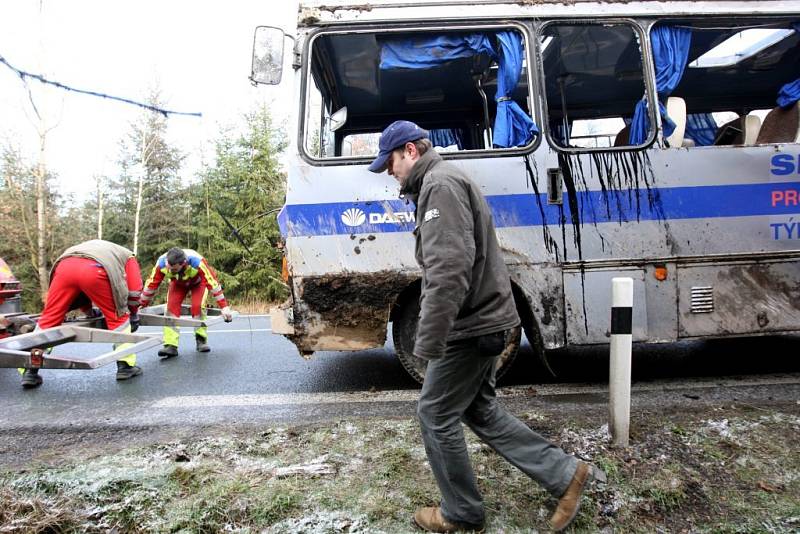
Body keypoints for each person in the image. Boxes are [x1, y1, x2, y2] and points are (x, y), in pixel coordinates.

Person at [369, 121, 596, 533]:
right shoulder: (441, 182)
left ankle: (461, 512)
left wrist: (429, 340)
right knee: (480, 410)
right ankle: (565, 474)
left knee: (435, 413)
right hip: (484, 320)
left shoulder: (439, 186)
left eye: (390, 161)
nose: (389, 171)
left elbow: (448, 271)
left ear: (411, 152)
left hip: (470, 326)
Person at [19, 239, 144, 388]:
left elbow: (81, 287)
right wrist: (134, 314)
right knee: (119, 318)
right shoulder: (129, 256)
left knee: (49, 319)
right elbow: (135, 292)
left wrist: (88, 311)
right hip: (95, 269)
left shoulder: (91, 247)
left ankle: (30, 370)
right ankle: (125, 366)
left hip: (64, 267)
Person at [139, 248, 232, 358]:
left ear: (183, 263)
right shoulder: (161, 264)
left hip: (198, 283)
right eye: (169, 268)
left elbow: (213, 284)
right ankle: (171, 345)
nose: (170, 271)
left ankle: (201, 339)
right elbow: (151, 286)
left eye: (174, 270)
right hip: (177, 284)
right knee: (170, 308)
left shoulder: (197, 262)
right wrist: (141, 304)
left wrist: (224, 307)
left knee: (198, 306)